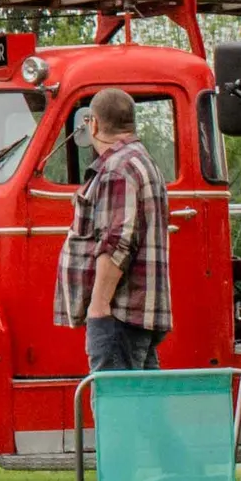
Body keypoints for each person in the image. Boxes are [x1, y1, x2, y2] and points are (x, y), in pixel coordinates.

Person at [64, 86, 171, 377]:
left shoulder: (116, 169)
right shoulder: (143, 162)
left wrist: (98, 305)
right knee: (143, 411)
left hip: (118, 313)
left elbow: (115, 242)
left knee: (116, 411)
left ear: (93, 124)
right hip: (140, 313)